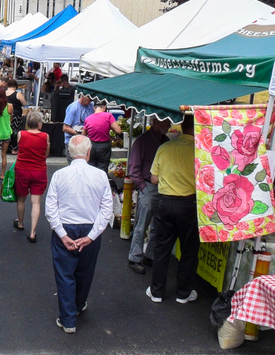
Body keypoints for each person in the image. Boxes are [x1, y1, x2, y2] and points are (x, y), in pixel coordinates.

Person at [45, 136, 112, 334]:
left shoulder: (59, 175)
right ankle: (78, 304)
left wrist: (61, 233)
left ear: (69, 152)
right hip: (90, 227)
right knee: (85, 271)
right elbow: (106, 208)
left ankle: (68, 319)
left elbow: (50, 208)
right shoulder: (100, 175)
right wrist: (92, 235)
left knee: (65, 274)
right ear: (89, 152)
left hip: (65, 226)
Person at [147, 116, 199, 304]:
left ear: (182, 126)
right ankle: (183, 293)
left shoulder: (165, 148)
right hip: (189, 204)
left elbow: (154, 179)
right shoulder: (201, 151)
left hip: (166, 203)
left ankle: (157, 292)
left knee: (162, 248)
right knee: (189, 250)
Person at [125, 120, 170, 274]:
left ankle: (149, 255)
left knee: (158, 225)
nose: (168, 125)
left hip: (163, 187)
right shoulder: (142, 141)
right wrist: (143, 187)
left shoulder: (166, 141)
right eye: (165, 122)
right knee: (142, 224)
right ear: (155, 121)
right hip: (149, 186)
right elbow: (133, 168)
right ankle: (134, 258)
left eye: (169, 123)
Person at [14, 110, 50, 242]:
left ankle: (20, 222)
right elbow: (46, 155)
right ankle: (33, 232)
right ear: (39, 124)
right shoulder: (45, 136)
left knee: (21, 199)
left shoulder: (21, 134)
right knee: (36, 202)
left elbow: (19, 149)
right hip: (39, 170)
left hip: (22, 169)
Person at [82, 101, 121, 172]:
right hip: (104, 146)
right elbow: (118, 131)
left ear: (94, 108)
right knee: (103, 168)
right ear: (104, 107)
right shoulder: (108, 116)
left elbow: (83, 135)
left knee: (91, 167)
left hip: (91, 146)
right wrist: (109, 127)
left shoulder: (88, 118)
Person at [3, 79, 25, 155]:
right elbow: (24, 103)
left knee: (7, 130)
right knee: (15, 131)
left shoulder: (3, 93)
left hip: (6, 114)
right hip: (16, 114)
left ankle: (6, 147)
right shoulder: (17, 94)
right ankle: (14, 148)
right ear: (15, 86)